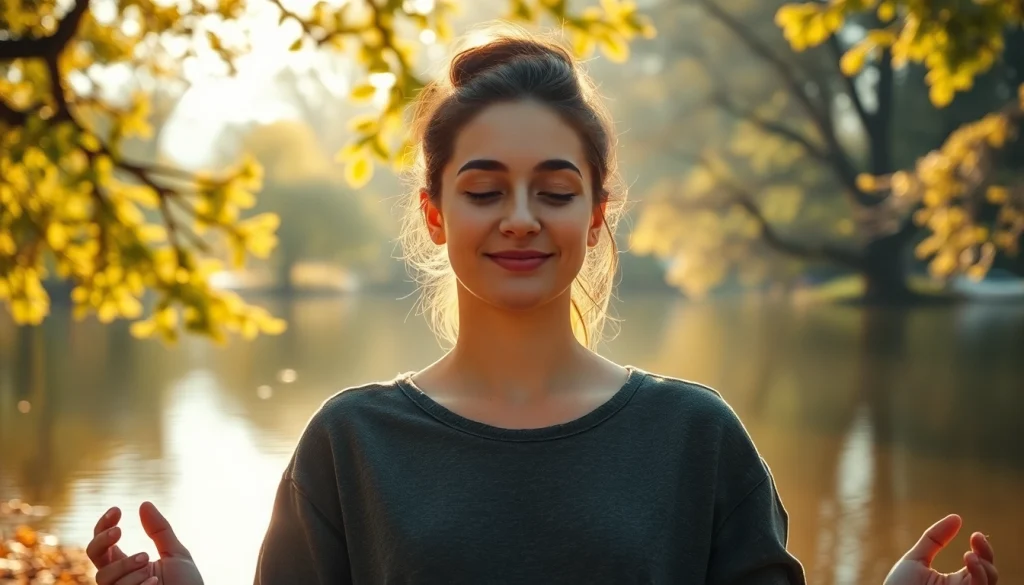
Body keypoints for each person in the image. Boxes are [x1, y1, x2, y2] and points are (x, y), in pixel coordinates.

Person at [84, 25, 999, 585]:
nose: (520, 218)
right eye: (485, 189)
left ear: (596, 215)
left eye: (554, 190)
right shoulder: (349, 442)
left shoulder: (696, 436)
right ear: (435, 213)